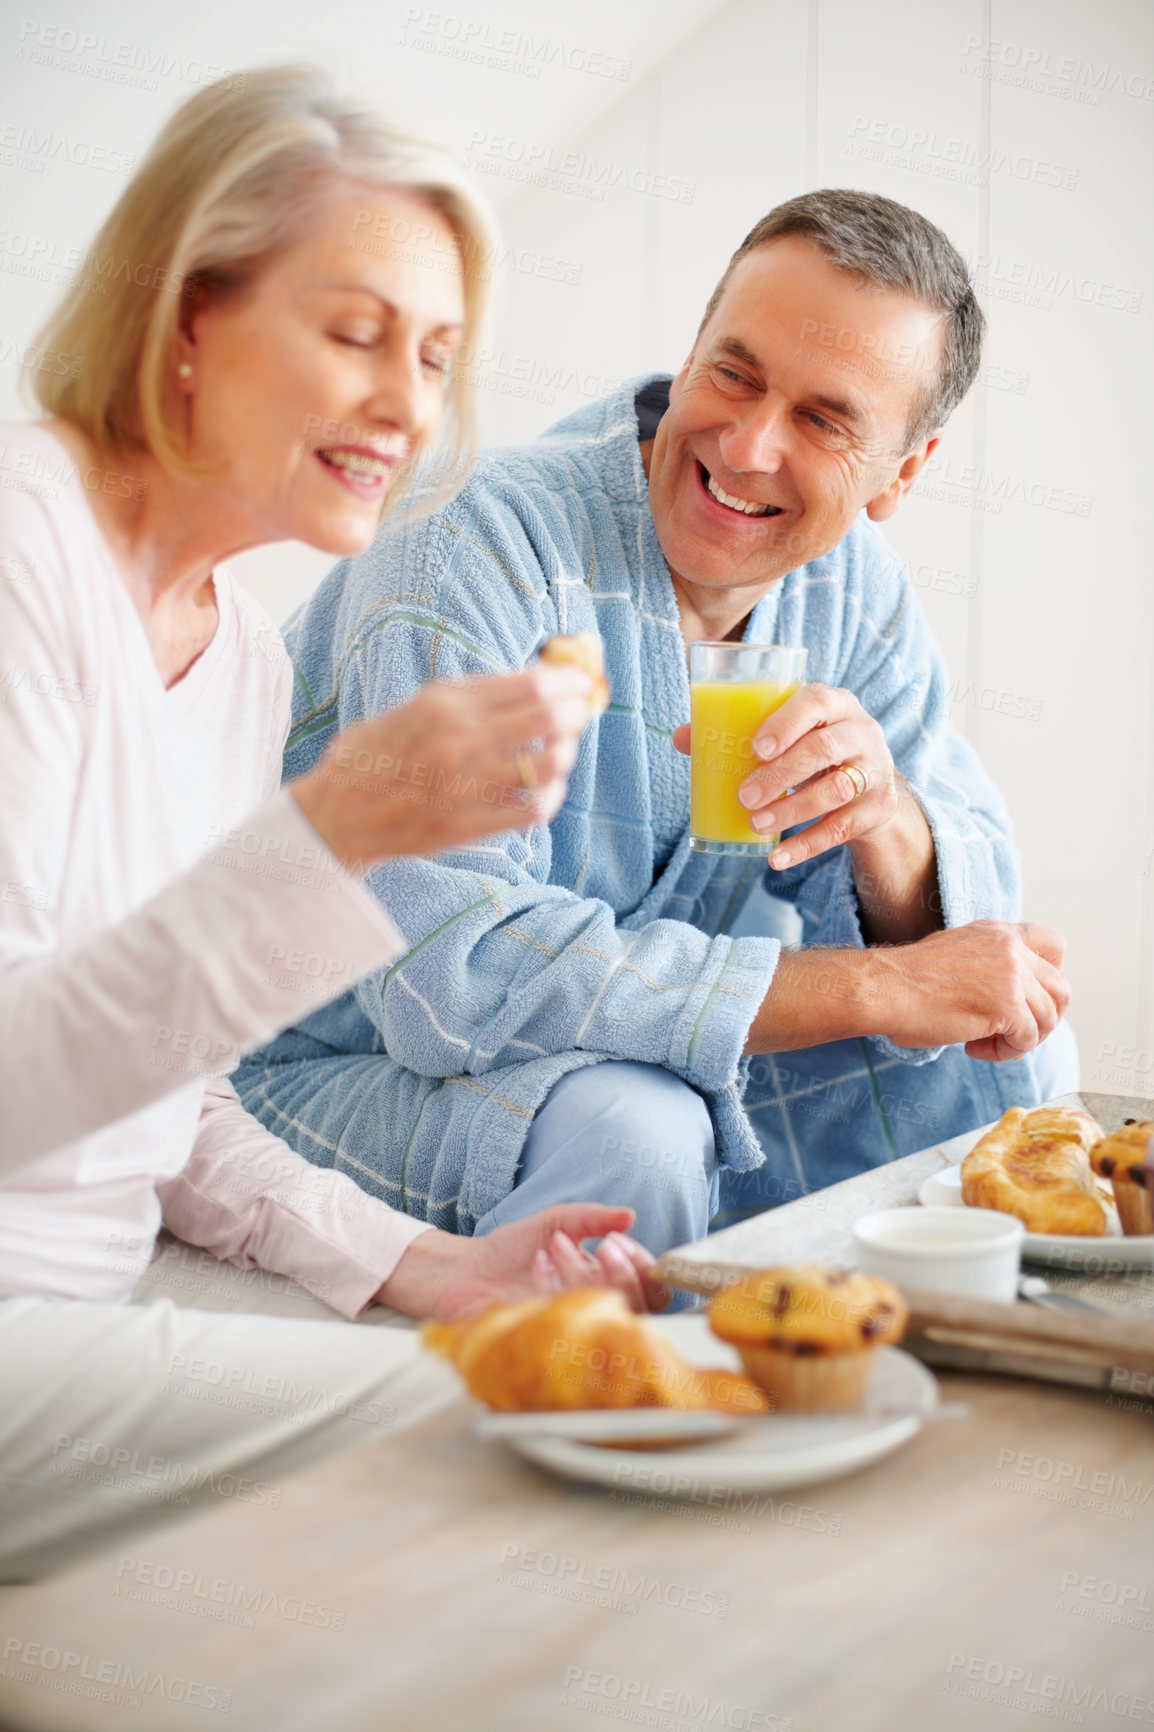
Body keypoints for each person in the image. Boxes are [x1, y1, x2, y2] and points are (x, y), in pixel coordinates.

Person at [0, 66, 664, 1584]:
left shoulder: (237, 652)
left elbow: (168, 1107)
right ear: (186, 315)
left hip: (64, 1329)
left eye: (434, 355)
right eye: (355, 333)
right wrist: (329, 833)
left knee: (539, 1377)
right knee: (516, 1436)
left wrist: (442, 1270)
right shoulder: (22, 544)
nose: (408, 405)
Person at [236, 188, 1072, 1247]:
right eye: (733, 372)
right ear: (688, 357)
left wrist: (888, 824)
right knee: (639, 1133)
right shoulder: (469, 543)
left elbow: (971, 951)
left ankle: (878, 1378)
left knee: (1020, 1067)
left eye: (822, 419)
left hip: (613, 1040)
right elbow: (453, 979)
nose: (748, 444)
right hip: (331, 1059)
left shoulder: (855, 596)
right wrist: (869, 984)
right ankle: (600, 1397)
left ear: (899, 472)